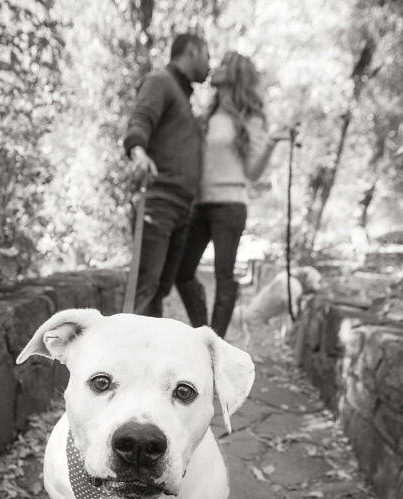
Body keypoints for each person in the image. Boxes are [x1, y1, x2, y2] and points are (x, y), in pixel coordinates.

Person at [170, 51, 291, 338]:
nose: (216, 68)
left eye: (224, 64)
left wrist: (272, 143)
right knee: (182, 272)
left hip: (230, 205)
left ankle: (214, 343)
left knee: (224, 276)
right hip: (199, 204)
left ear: (234, 74)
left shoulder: (250, 118)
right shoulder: (206, 116)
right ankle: (203, 332)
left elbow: (252, 171)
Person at [124, 33, 210, 317]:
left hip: (181, 208)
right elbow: (141, 118)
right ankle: (126, 359)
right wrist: (138, 152)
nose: (209, 64)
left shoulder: (184, 100)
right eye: (207, 55)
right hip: (157, 201)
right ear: (192, 50)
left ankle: (147, 357)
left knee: (159, 289)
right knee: (144, 288)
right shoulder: (160, 81)